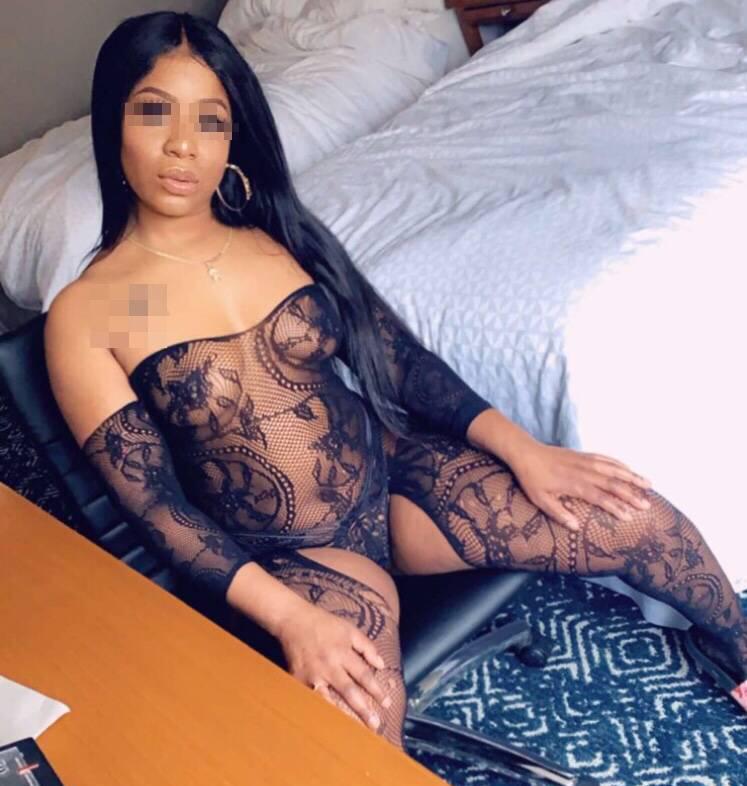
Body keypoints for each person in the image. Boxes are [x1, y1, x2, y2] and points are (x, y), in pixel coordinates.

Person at [45, 11, 747, 753]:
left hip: (399, 484)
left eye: (210, 120)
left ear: (233, 135)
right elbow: (158, 510)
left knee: (630, 518)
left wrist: (528, 452)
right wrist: (290, 617)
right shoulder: (87, 313)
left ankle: (732, 646)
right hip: (292, 559)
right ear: (114, 121)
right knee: (360, 725)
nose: (184, 144)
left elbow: (400, 361)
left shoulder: (276, 232)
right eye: (155, 112)